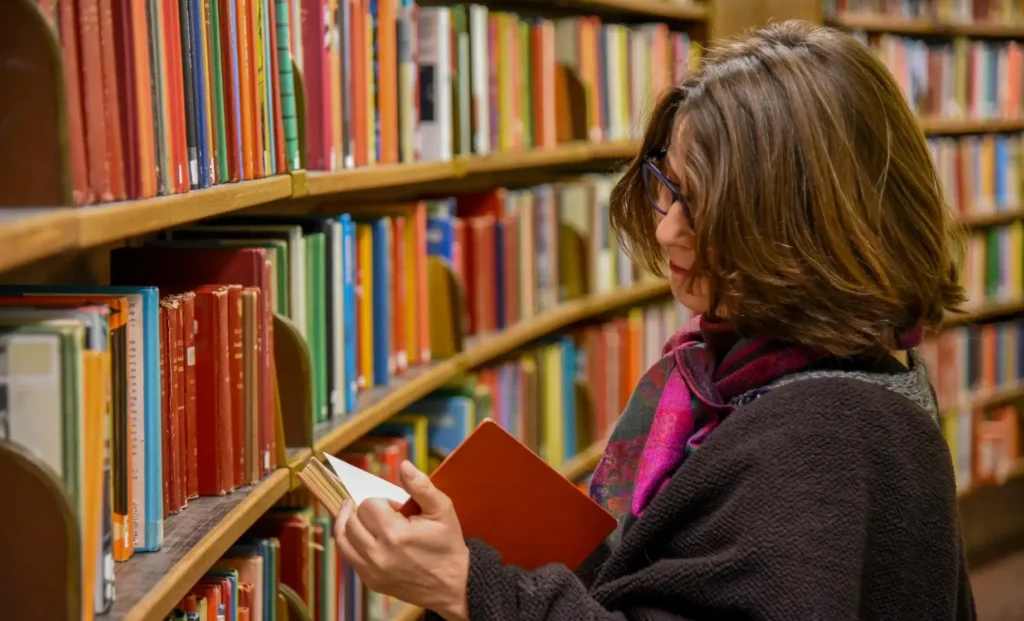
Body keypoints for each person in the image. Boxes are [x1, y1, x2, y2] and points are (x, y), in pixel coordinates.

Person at [333, 19, 976, 621]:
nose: (667, 227)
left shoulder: (825, 440)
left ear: (799, 223)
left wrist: (469, 586)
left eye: (698, 203)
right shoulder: (734, 370)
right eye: (665, 186)